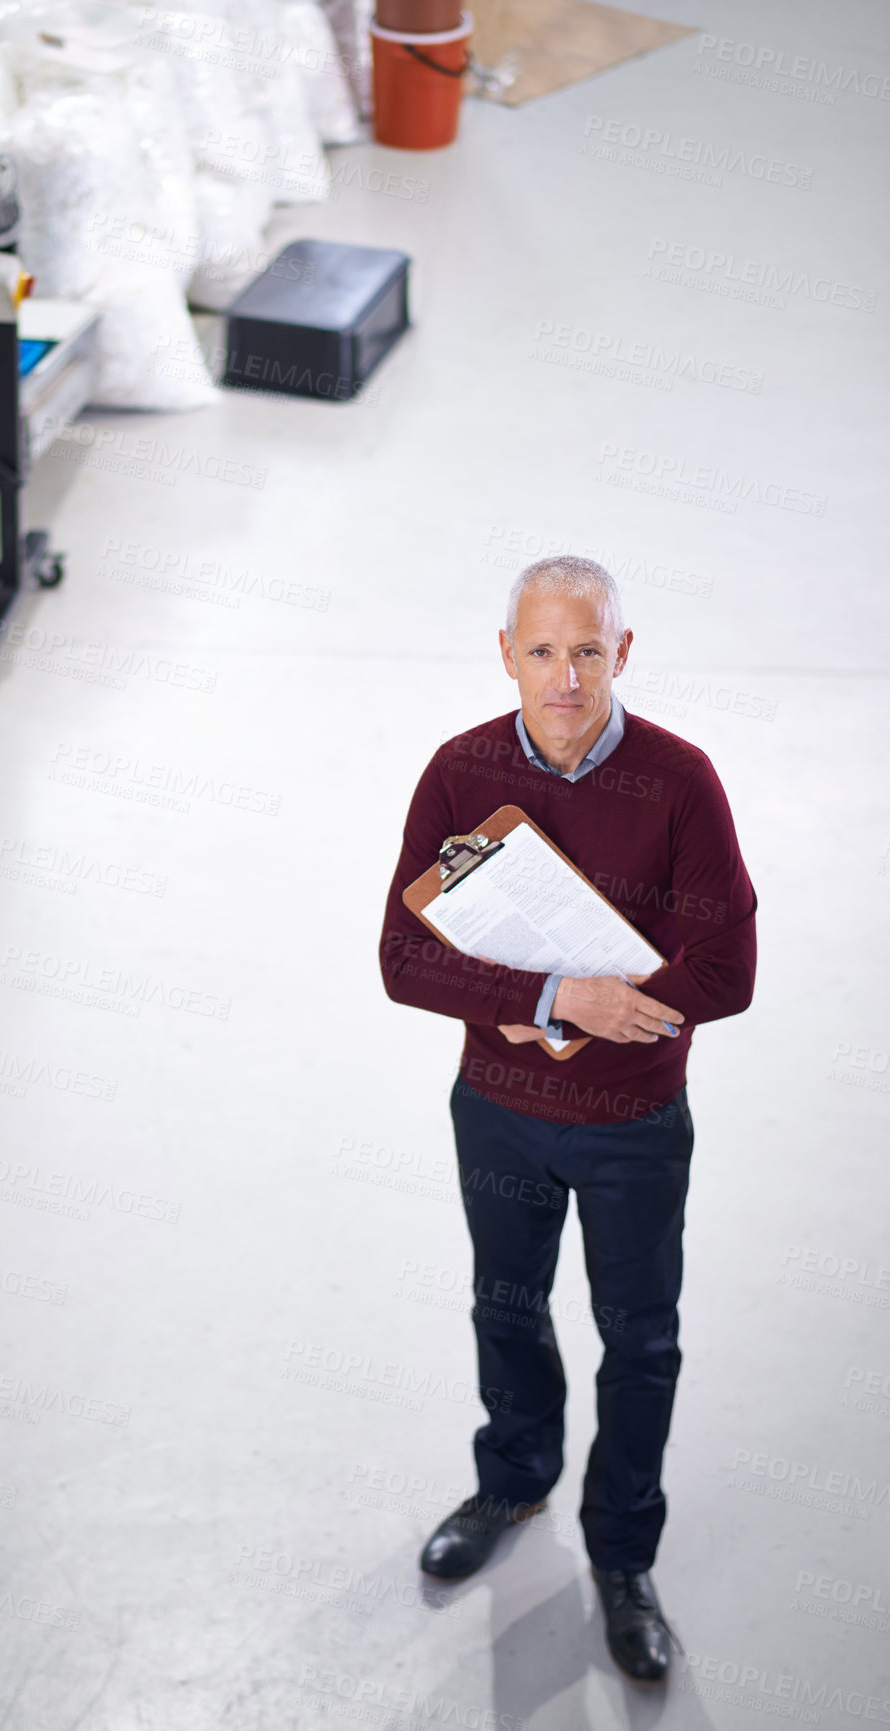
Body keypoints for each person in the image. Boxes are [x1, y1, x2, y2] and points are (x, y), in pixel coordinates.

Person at [378, 556, 757, 1682]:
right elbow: (403, 959)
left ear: (622, 654)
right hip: (498, 1114)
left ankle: (623, 1558)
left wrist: (593, 1018)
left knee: (640, 1341)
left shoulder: (680, 780)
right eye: (541, 650)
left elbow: (729, 968)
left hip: (636, 1122)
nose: (565, 675)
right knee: (506, 1304)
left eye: (588, 649)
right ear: (508, 656)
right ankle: (511, 1480)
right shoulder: (462, 772)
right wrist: (544, 1000)